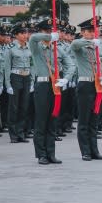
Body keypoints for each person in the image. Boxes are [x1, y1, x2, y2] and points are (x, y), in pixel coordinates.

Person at [29, 19, 75, 165]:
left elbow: (71, 65)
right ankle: (41, 154)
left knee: (52, 120)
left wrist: (66, 79)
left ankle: (51, 153)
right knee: (41, 121)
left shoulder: (57, 49)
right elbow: (32, 37)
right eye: (47, 31)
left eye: (51, 32)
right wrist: (49, 37)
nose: (49, 34)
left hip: (56, 86)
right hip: (42, 86)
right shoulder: (37, 48)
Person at [70, 18, 102, 161]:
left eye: (94, 30)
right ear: (83, 32)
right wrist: (90, 41)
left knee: (95, 120)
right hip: (85, 85)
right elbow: (74, 44)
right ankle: (85, 151)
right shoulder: (80, 45)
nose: (93, 33)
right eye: (89, 31)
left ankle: (94, 150)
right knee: (84, 120)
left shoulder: (100, 46)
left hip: (98, 86)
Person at [3, 22, 32, 143]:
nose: (25, 35)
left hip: (27, 77)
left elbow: (33, 65)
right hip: (15, 77)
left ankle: (21, 133)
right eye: (22, 33)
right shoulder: (10, 48)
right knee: (14, 107)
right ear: (16, 35)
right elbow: (6, 68)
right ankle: (13, 135)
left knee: (24, 107)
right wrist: (8, 84)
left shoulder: (30, 47)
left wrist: (32, 81)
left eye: (26, 32)